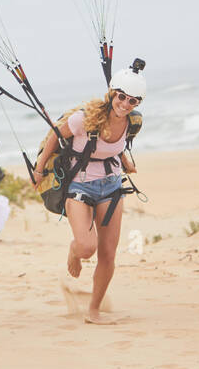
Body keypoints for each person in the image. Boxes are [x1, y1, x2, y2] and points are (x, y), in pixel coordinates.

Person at [31, 67, 145, 323]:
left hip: (112, 188)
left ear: (138, 103)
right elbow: (54, 137)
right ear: (112, 94)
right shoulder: (84, 118)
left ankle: (94, 310)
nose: (125, 104)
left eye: (133, 100)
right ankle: (74, 251)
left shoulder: (132, 122)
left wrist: (125, 160)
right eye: (121, 97)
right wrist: (39, 169)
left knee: (107, 254)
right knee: (86, 246)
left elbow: (116, 145)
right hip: (80, 187)